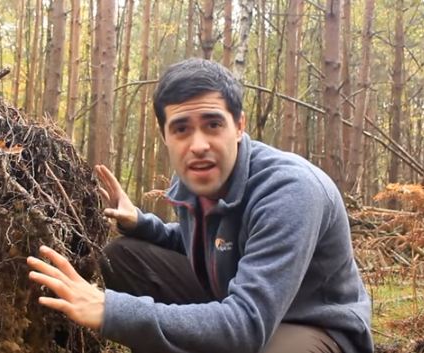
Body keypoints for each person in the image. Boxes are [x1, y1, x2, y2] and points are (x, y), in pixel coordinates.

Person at [27, 58, 373, 353]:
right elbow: (213, 242)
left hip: (312, 324)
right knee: (122, 256)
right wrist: (142, 223)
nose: (198, 145)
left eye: (212, 124)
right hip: (238, 300)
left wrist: (108, 309)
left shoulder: (288, 190)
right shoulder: (195, 179)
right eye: (181, 129)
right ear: (164, 135)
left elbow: (246, 324)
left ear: (238, 126)